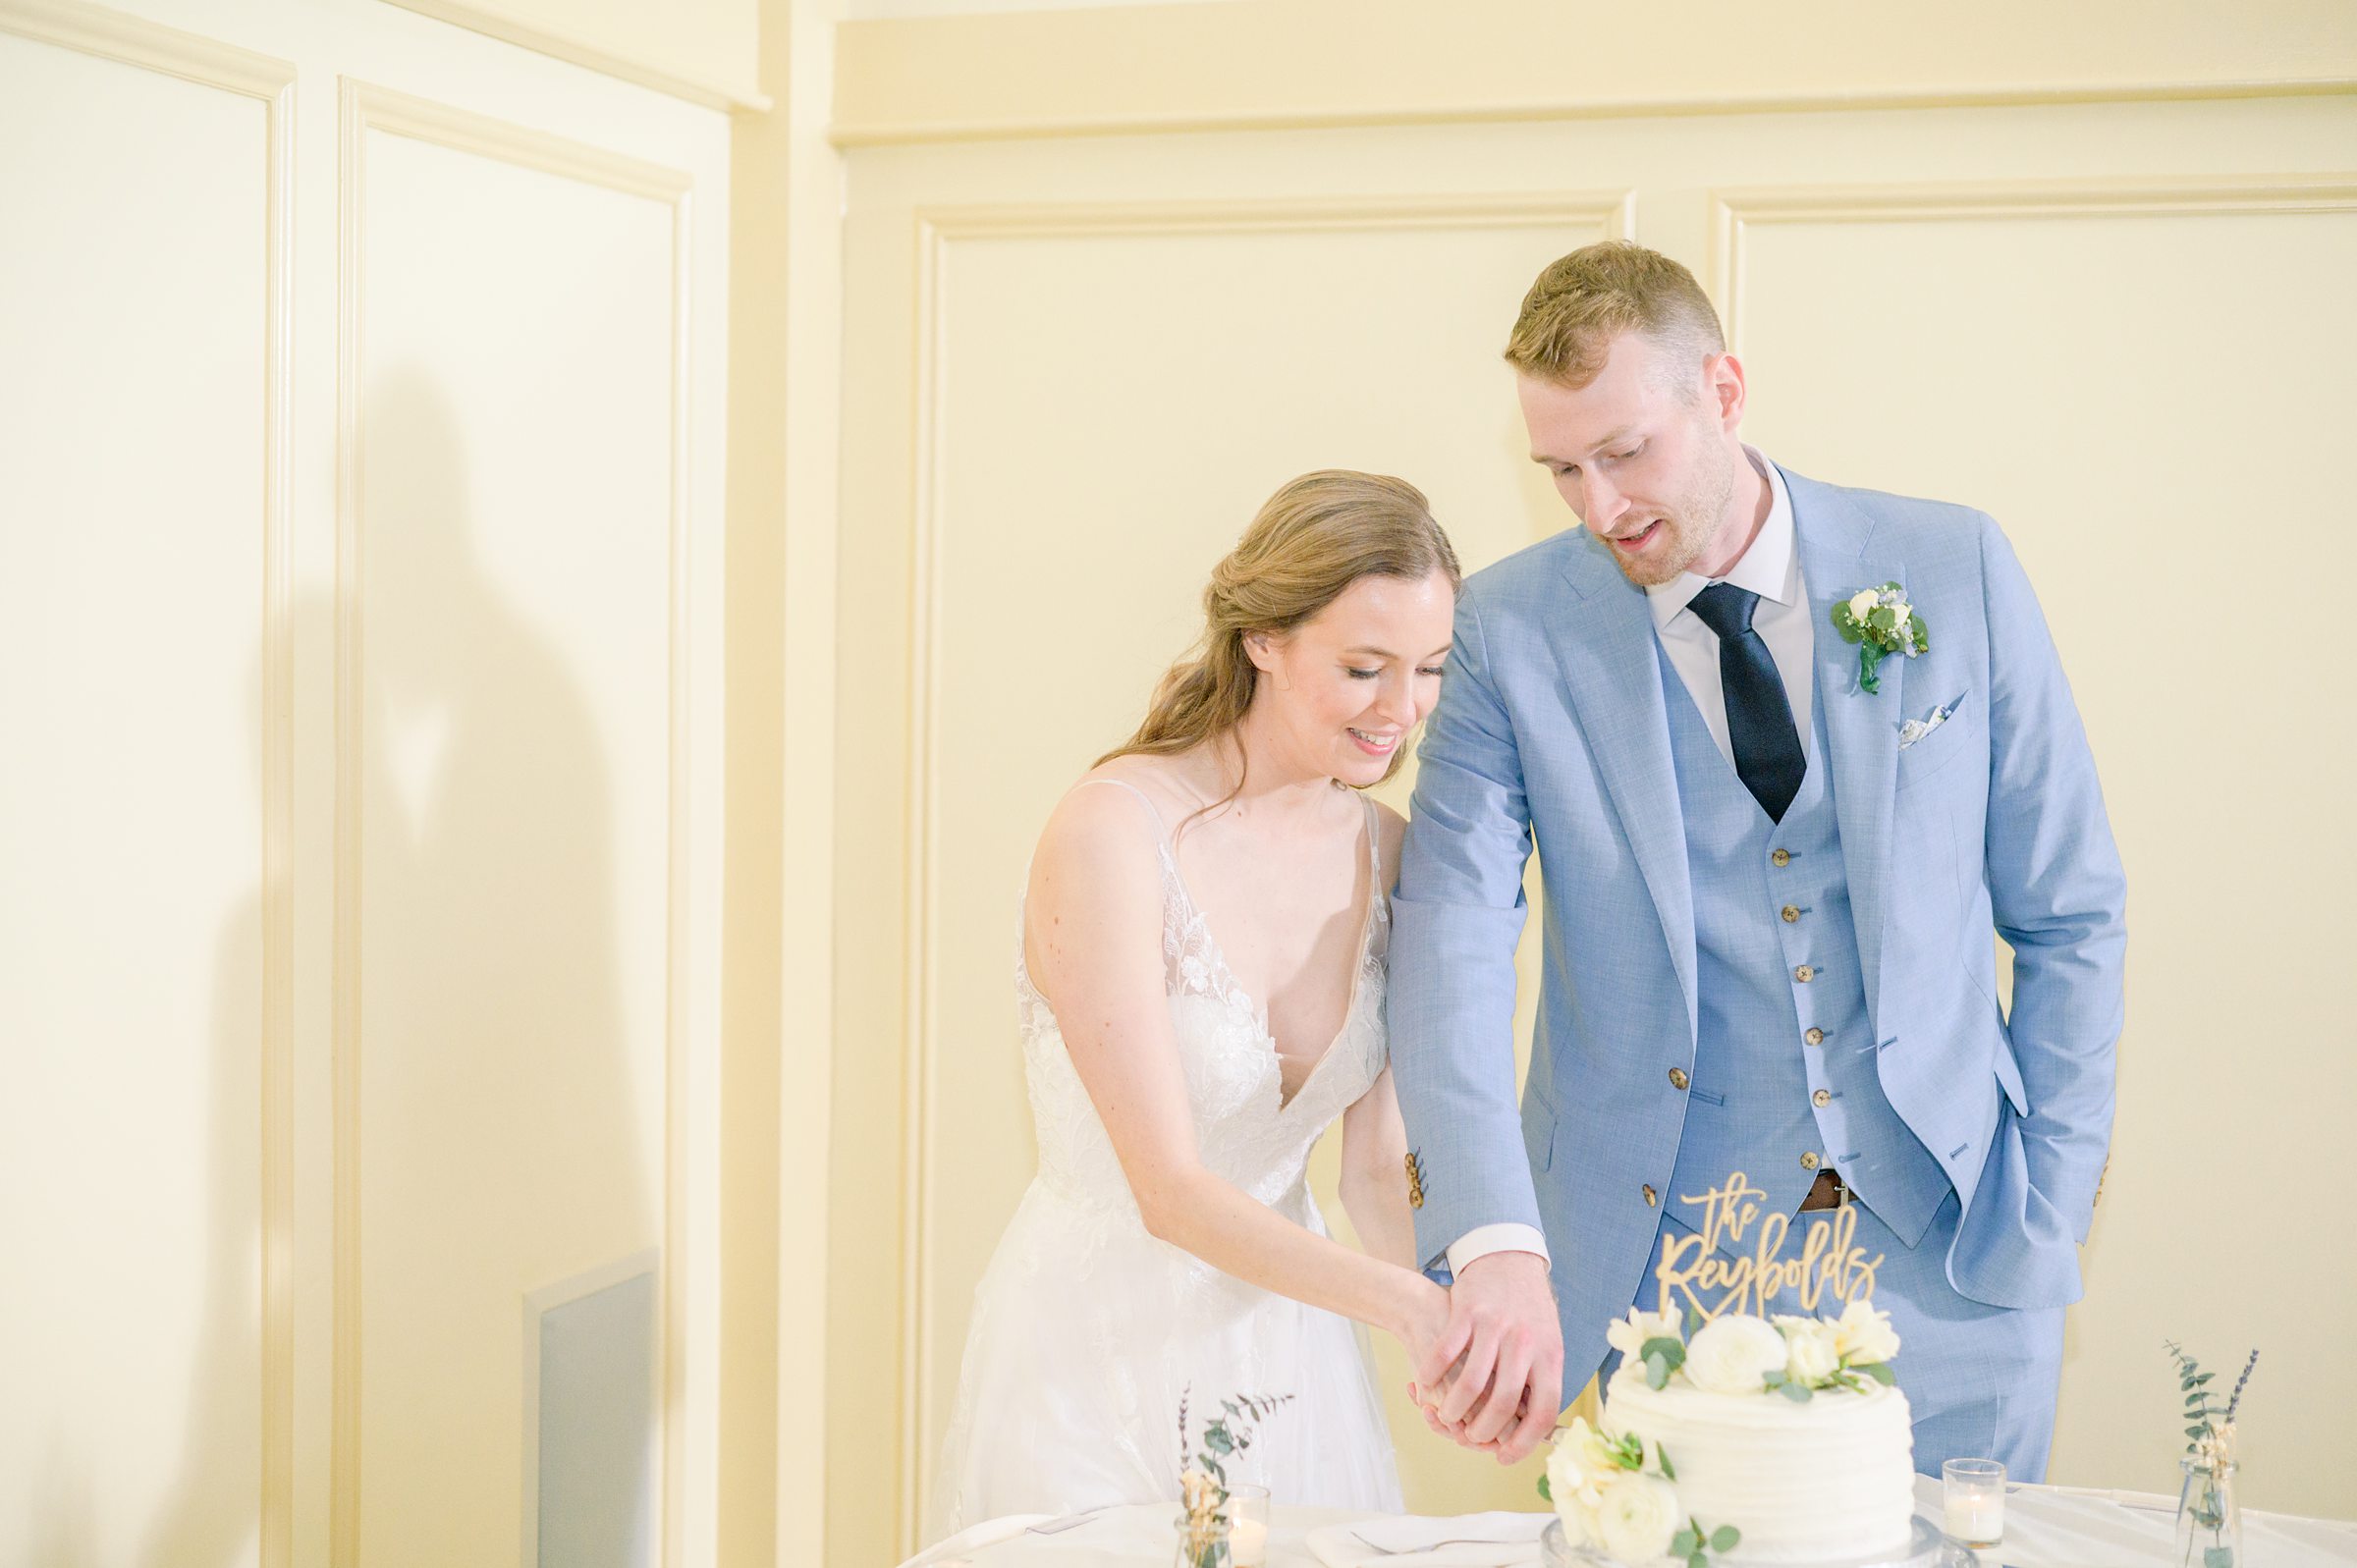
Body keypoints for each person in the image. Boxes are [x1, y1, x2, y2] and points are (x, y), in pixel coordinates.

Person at [1388, 242, 2126, 1478]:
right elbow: (1447, 950)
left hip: (1953, 1268)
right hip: (1655, 1277)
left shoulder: (1950, 566)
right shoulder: (1510, 636)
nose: (1599, 506)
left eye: (1625, 453)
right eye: (1562, 469)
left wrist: (2047, 1202)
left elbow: (2070, 911)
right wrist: (1496, 1238)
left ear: (1724, 393)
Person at [930, 470, 1465, 1537]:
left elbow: (1371, 1169)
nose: (1399, 711)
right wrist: (1406, 1308)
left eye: (1429, 671)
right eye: (1364, 668)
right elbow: (1168, 1190)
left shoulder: (1395, 854)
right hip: (1095, 1363)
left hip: (1297, 1358)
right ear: (1264, 639)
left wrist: (1463, 1335)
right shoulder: (1111, 834)